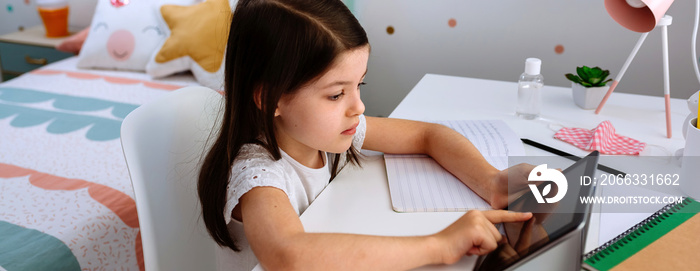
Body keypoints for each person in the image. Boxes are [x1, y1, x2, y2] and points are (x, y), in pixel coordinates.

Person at [198, 0, 534, 270]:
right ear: (270, 99)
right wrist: (439, 245)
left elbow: (427, 135)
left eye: (360, 85)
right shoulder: (257, 173)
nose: (357, 106)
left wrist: (492, 182)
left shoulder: (327, 133)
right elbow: (288, 256)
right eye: (335, 94)